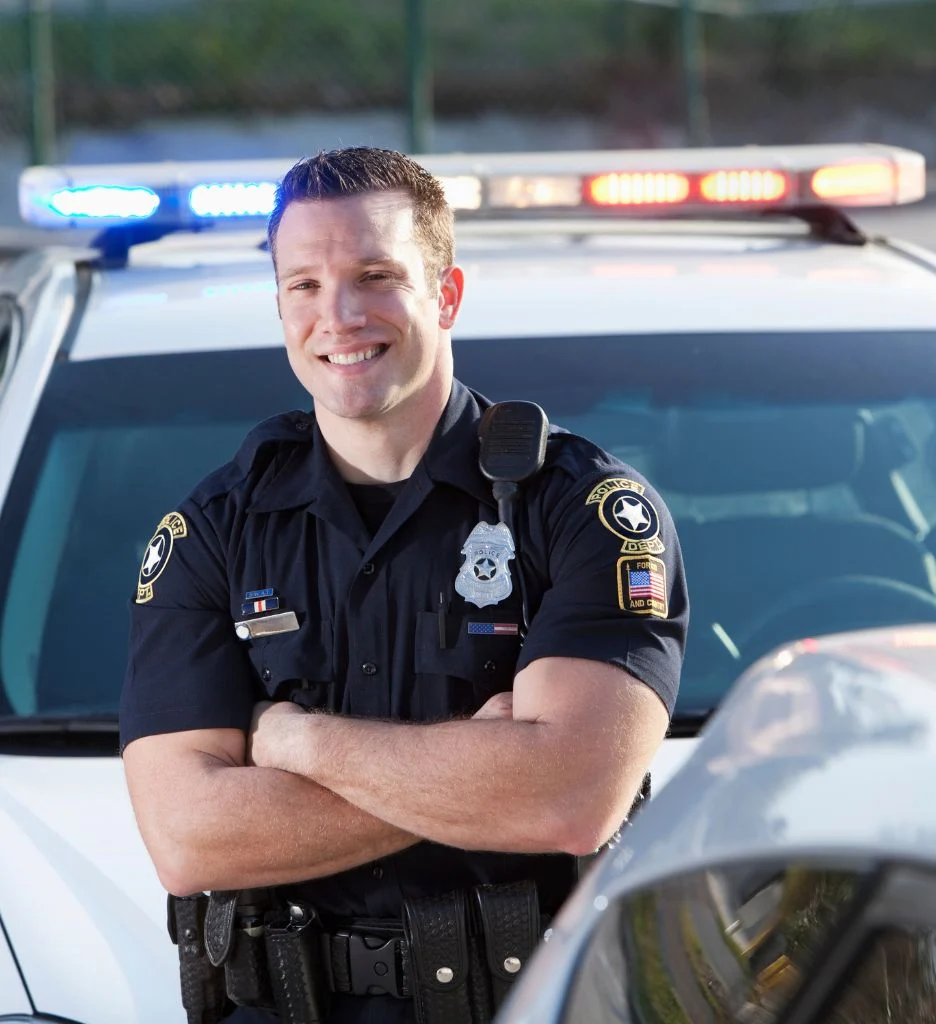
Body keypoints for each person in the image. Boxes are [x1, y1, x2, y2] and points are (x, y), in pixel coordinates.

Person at [120, 146, 688, 1024]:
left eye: (375, 275)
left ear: (446, 294)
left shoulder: (581, 510)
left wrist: (298, 743)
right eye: (302, 284)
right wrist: (483, 771)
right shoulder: (213, 533)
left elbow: (569, 799)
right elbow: (189, 839)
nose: (337, 316)